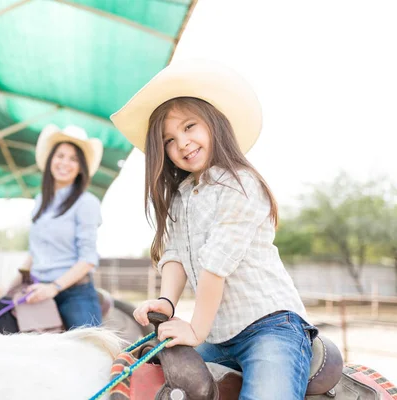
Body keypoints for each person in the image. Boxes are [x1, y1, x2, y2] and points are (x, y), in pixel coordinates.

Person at [111, 59, 318, 399]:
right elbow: (175, 254)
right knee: (156, 378)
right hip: (219, 336)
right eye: (169, 140)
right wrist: (166, 302)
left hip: (270, 327)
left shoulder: (242, 185)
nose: (182, 143)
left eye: (190, 126)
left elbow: (215, 266)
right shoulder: (180, 197)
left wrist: (195, 329)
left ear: (214, 124)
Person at [7, 124, 104, 330]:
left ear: (80, 168)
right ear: (51, 159)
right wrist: (12, 287)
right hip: (37, 288)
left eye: (73, 159)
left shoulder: (86, 202)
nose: (64, 163)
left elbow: (87, 259)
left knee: (90, 350)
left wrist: (54, 288)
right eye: (60, 155)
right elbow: (35, 252)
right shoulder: (41, 200)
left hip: (74, 292)